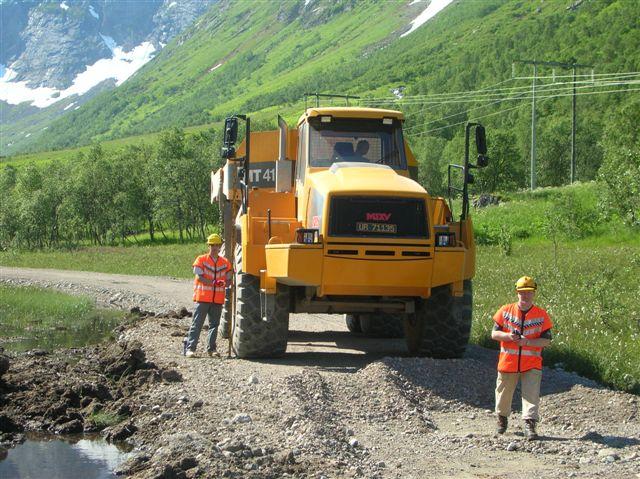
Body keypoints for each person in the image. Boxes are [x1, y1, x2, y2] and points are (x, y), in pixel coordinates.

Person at [491, 276, 552, 440]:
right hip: (508, 362)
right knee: (503, 394)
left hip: (531, 363)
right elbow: (494, 334)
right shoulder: (505, 311)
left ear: (534, 293)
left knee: (531, 395)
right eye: (522, 292)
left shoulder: (541, 315)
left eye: (528, 293)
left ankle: (529, 425)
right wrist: (508, 336)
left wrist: (528, 341)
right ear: (517, 293)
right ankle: (501, 421)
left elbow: (547, 340)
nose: (525, 296)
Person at [185, 233, 232, 358]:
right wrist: (214, 282)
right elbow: (199, 276)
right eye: (213, 245)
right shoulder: (201, 260)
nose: (215, 247)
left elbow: (228, 279)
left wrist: (227, 282)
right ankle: (190, 348)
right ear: (209, 246)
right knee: (197, 324)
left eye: (217, 245)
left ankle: (211, 349)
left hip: (217, 299)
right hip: (203, 298)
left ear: (220, 246)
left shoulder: (225, 263)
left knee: (214, 325)